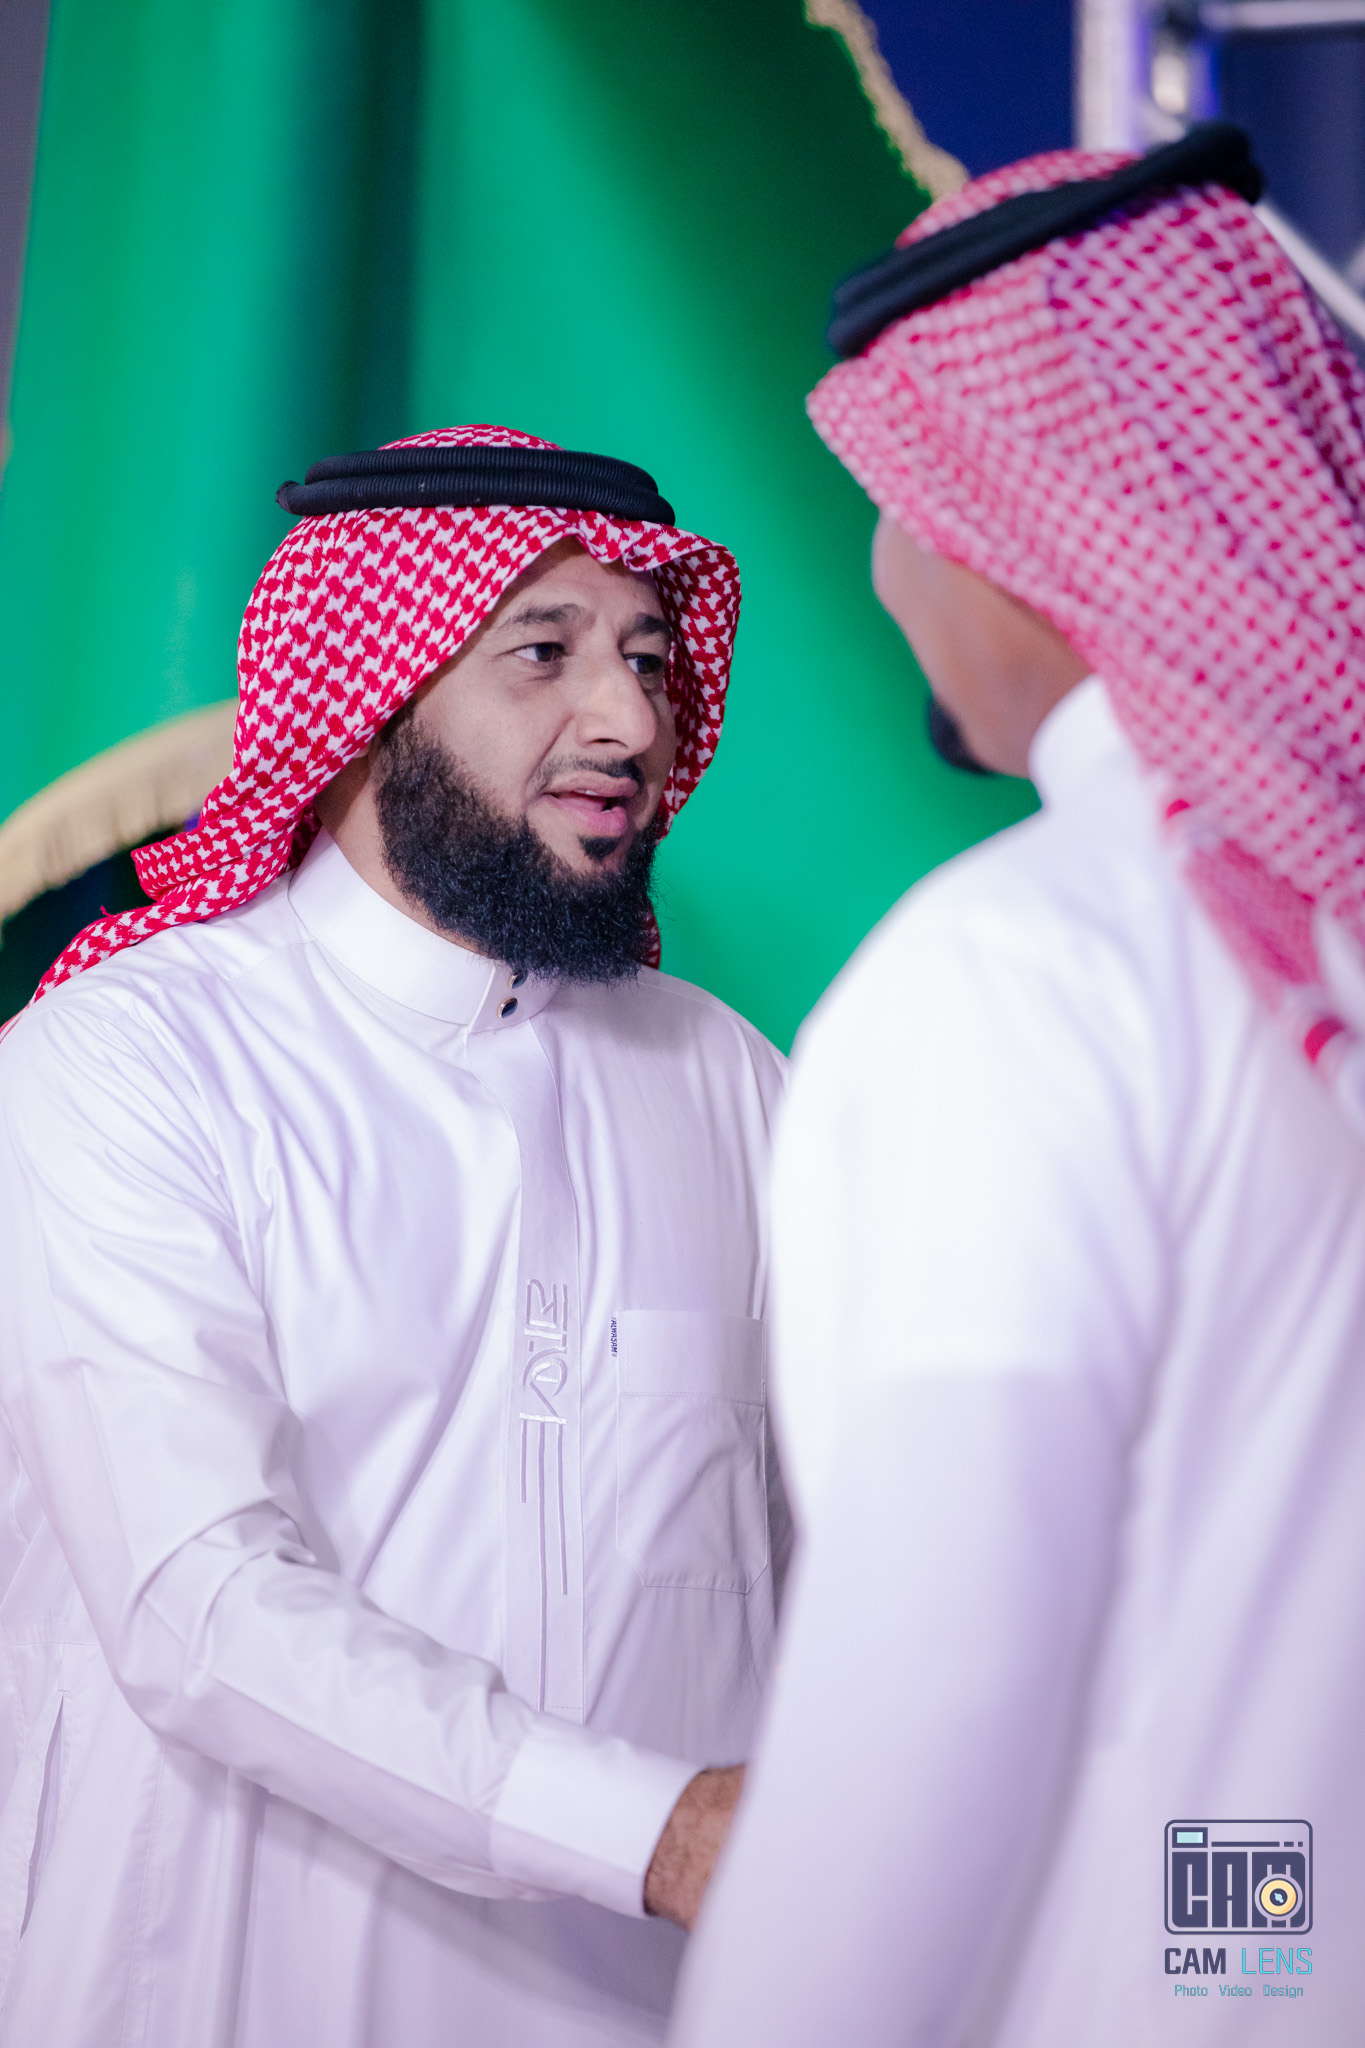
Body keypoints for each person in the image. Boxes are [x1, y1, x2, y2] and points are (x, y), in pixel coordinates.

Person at [672, 123, 1365, 2046]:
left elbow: (940, 1673)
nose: (886, 571)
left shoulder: (1025, 973)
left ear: (1027, 528)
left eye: (902, 504)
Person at [0, 426, 789, 2048]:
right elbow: (196, 1605)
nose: (629, 721)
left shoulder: (726, 1078)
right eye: (544, 654)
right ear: (370, 696)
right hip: (235, 1985)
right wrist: (659, 1832)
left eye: (649, 658)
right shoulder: (131, 1059)